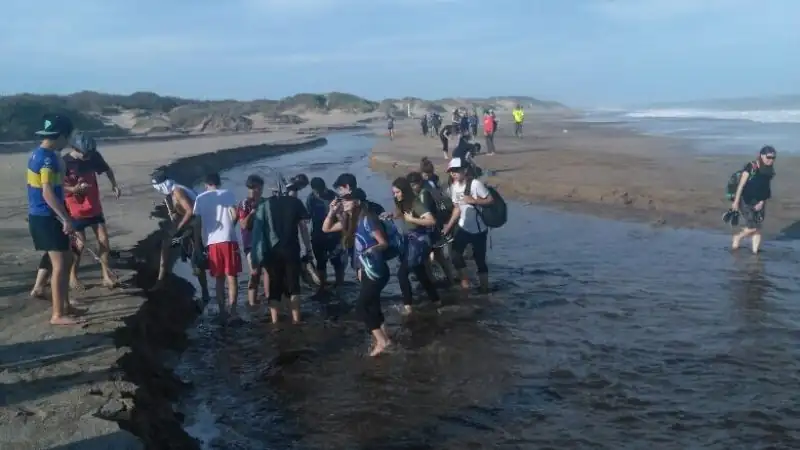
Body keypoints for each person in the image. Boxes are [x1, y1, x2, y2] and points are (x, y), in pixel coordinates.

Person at [26, 114, 82, 325]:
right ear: (60, 136)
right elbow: (47, 192)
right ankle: (57, 314)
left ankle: (65, 305)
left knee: (66, 260)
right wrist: (65, 218)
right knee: (59, 264)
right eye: (67, 137)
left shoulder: (41, 154)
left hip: (46, 216)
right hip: (46, 217)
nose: (68, 142)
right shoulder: (47, 159)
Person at [323, 188, 392, 356]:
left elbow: (383, 243)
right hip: (366, 270)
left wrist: (372, 250)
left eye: (348, 200)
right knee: (373, 305)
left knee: (361, 307)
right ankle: (384, 338)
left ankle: (383, 342)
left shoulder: (369, 219)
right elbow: (326, 228)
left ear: (358, 202)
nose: (344, 203)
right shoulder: (352, 221)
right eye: (343, 200)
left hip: (377, 271)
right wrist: (332, 211)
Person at [61, 132, 121, 290]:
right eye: (85, 154)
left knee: (104, 240)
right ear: (75, 148)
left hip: (94, 205)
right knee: (79, 244)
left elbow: (107, 170)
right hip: (75, 208)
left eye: (90, 154)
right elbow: (56, 185)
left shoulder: (94, 157)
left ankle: (106, 276)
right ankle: (73, 277)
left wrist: (114, 185)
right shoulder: (64, 162)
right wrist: (73, 189)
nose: (88, 157)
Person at [250, 178, 313, 324]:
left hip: (272, 252)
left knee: (274, 286)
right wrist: (308, 250)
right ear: (286, 189)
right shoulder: (295, 202)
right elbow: (303, 227)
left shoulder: (265, 204)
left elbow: (258, 233)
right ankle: (296, 320)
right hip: (291, 249)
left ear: (271, 190)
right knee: (294, 286)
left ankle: (275, 321)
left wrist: (256, 258)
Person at [150, 170, 209, 304]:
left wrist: (178, 228)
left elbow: (190, 211)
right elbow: (178, 213)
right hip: (190, 225)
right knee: (167, 245)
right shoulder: (172, 192)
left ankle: (205, 292)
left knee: (196, 259)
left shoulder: (178, 191)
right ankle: (161, 279)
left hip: (196, 226)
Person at [384, 177, 440, 314]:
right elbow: (400, 213)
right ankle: (436, 300)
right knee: (420, 273)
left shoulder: (416, 203)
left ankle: (408, 306)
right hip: (408, 242)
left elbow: (431, 220)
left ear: (404, 191)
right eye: (394, 193)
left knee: (402, 274)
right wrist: (391, 214)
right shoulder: (400, 202)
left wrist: (412, 219)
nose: (395, 195)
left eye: (397, 192)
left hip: (419, 242)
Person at [441, 157, 494, 292]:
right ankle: (465, 283)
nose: (453, 173)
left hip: (479, 230)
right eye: (451, 171)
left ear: (464, 170)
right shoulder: (453, 187)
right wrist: (449, 226)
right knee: (455, 255)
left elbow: (490, 200)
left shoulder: (475, 184)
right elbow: (457, 208)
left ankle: (484, 288)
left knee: (479, 260)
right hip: (463, 228)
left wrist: (474, 200)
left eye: (456, 170)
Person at [193, 173, 241, 319]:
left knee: (219, 278)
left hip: (212, 242)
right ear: (219, 183)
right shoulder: (227, 194)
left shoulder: (200, 198)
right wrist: (230, 226)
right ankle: (233, 310)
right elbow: (235, 214)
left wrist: (197, 244)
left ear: (206, 184)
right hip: (228, 239)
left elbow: (197, 224)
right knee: (231, 276)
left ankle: (222, 312)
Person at [407, 171, 458, 285]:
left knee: (428, 258)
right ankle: (449, 280)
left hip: (431, 230)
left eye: (414, 185)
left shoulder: (424, 194)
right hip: (434, 229)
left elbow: (426, 214)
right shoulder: (425, 191)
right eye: (410, 186)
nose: (412, 188)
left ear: (419, 182)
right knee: (438, 257)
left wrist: (412, 220)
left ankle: (433, 282)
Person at [730, 146, 777, 254]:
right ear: (761, 155)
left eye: (773, 158)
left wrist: (762, 202)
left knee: (758, 228)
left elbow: (766, 188)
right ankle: (737, 237)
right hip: (746, 200)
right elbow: (741, 185)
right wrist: (736, 202)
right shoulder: (751, 166)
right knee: (753, 227)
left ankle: (755, 253)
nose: (771, 160)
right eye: (768, 157)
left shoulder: (769, 170)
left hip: (760, 201)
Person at [306, 177, 345, 293]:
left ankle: (340, 285)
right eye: (316, 191)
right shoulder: (311, 198)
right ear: (313, 190)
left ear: (324, 188)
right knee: (321, 262)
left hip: (334, 234)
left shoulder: (334, 197)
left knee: (337, 262)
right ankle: (323, 286)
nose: (318, 194)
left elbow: (341, 216)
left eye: (320, 191)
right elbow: (308, 216)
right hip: (318, 235)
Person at [237, 174, 268, 308]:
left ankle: (268, 296)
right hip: (250, 243)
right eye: (259, 189)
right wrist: (253, 212)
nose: (260, 192)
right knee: (255, 272)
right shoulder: (245, 204)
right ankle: (251, 302)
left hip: (265, 241)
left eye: (261, 189)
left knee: (267, 270)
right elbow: (243, 225)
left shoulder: (264, 201)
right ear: (253, 188)